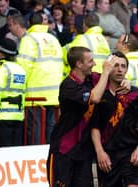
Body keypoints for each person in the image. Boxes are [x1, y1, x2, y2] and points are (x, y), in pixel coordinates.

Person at [47, 46, 120, 187]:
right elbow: (95, 98)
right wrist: (105, 73)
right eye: (90, 61)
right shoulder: (68, 85)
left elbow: (112, 81)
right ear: (79, 64)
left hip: (83, 152)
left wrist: (124, 82)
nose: (94, 64)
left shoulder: (91, 78)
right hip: (64, 150)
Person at [91, 51, 138, 187]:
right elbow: (95, 128)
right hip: (108, 156)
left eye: (123, 66)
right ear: (108, 68)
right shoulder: (100, 96)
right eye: (116, 65)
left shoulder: (136, 94)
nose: (119, 69)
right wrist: (100, 153)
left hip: (131, 153)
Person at [16, 12, 63, 145]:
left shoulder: (29, 39)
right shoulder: (53, 39)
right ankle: (49, 161)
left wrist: (19, 88)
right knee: (50, 129)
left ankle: (35, 160)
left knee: (35, 130)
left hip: (35, 95)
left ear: (29, 24)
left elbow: (24, 66)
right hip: (54, 94)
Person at [0, 38, 26, 147]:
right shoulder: (21, 70)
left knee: (1, 156)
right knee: (13, 155)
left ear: (2, 54)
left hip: (1, 119)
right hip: (18, 117)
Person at [63, 12, 110, 76]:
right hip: (103, 76)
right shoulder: (104, 39)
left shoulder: (82, 38)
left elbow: (67, 55)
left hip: (90, 75)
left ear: (84, 24)